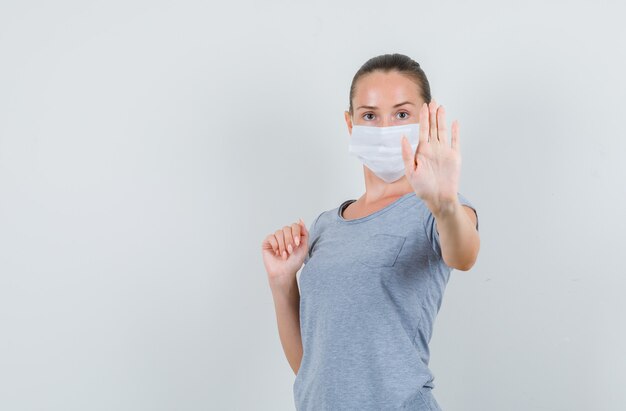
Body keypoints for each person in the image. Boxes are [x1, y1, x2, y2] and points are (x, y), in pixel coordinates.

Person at [261, 53, 480, 411]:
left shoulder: (436, 209)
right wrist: (283, 282)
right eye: (369, 115)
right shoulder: (326, 226)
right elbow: (311, 367)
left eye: (402, 114)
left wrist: (443, 205)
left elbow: (464, 253)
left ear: (426, 118)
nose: (385, 129)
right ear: (350, 124)